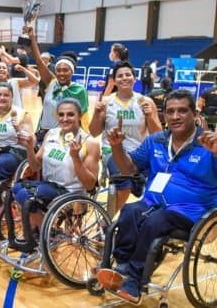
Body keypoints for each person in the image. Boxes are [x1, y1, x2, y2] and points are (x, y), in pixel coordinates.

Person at [97, 89, 217, 302]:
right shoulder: (156, 140)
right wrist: (116, 147)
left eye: (182, 111)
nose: (175, 116)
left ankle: (134, 279)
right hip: (154, 203)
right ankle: (121, 266)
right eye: (170, 111)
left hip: (193, 213)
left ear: (194, 114)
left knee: (156, 221)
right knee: (130, 211)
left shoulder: (208, 142)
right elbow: (129, 168)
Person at [12, 99, 100, 237]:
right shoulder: (51, 134)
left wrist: (76, 157)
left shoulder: (90, 143)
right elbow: (35, 166)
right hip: (49, 187)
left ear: (80, 115)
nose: (65, 119)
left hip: (71, 193)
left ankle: (46, 234)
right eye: (61, 115)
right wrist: (29, 148)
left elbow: (89, 185)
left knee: (25, 195)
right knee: (16, 188)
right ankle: (44, 230)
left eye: (70, 114)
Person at [89, 61, 162, 211]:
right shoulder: (107, 101)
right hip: (112, 151)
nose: (124, 78)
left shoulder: (145, 101)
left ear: (134, 79)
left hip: (140, 153)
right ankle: (106, 223)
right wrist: (97, 114)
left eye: (128, 75)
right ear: (114, 81)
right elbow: (94, 132)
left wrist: (150, 117)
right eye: (120, 76)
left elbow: (158, 136)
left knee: (162, 182)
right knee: (125, 182)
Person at [24, 26, 89, 144]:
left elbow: (83, 117)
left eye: (65, 70)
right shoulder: (51, 82)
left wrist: (83, 139)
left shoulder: (79, 90)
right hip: (43, 132)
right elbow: (39, 61)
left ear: (72, 72)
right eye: (58, 70)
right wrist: (32, 38)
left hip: (65, 136)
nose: (61, 73)